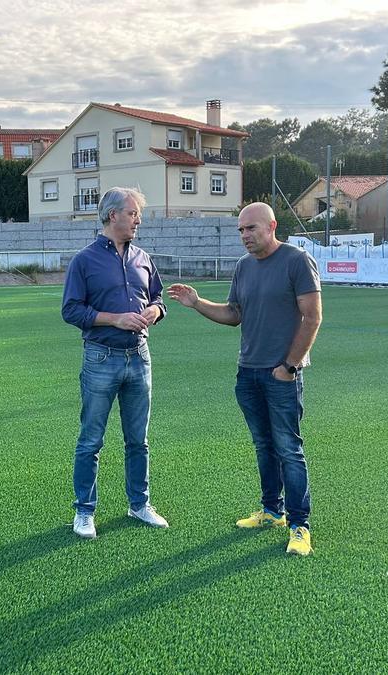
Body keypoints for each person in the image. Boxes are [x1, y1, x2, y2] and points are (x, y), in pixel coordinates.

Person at [166, 202, 322, 556]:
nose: (245, 236)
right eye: (240, 230)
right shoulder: (243, 267)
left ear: (271, 226)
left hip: (281, 374)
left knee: (289, 449)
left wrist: (290, 367)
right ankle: (271, 511)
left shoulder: (296, 261)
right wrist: (197, 303)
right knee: (264, 446)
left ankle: (300, 525)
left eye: (251, 228)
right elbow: (234, 313)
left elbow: (312, 317)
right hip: (248, 373)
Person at [61, 186, 169, 539]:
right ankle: (84, 511)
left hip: (139, 357)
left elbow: (158, 298)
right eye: (133, 212)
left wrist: (153, 311)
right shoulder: (84, 261)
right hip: (101, 358)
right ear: (112, 216)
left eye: (138, 213)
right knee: (91, 440)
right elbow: (71, 310)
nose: (138, 219)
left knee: (138, 440)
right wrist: (115, 319)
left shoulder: (143, 257)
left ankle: (139, 504)